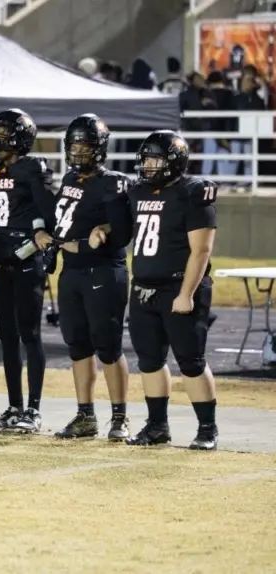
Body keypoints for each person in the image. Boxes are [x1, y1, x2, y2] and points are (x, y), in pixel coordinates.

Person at [118, 131, 219, 450]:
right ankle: (157, 426)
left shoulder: (193, 192)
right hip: (144, 288)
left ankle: (207, 429)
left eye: (155, 160)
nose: (148, 165)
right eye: (146, 159)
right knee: (149, 361)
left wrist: (186, 294)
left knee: (191, 362)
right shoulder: (137, 192)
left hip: (179, 287)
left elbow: (201, 251)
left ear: (174, 162)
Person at [50, 114, 132, 441]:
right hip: (72, 270)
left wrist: (101, 231)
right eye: (74, 145)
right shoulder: (70, 178)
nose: (78, 151)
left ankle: (120, 417)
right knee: (78, 345)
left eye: (84, 145)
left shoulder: (112, 182)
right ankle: (85, 415)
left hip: (103, 270)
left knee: (108, 346)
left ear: (99, 148)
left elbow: (124, 230)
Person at [0, 108, 56, 433]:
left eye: (4, 133)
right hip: (2, 260)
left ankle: (34, 410)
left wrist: (37, 235)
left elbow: (49, 213)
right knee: (7, 336)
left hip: (27, 259)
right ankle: (14, 407)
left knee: (30, 334)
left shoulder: (32, 167)